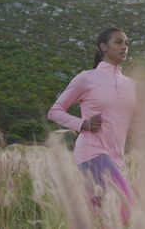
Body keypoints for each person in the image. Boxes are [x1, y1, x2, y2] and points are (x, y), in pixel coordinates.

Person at [47, 27, 135, 223]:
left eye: (127, 43)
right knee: (126, 207)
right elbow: (55, 111)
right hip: (92, 152)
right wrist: (82, 124)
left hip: (116, 157)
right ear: (103, 46)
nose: (124, 47)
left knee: (97, 217)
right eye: (118, 42)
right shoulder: (86, 78)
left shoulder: (131, 85)